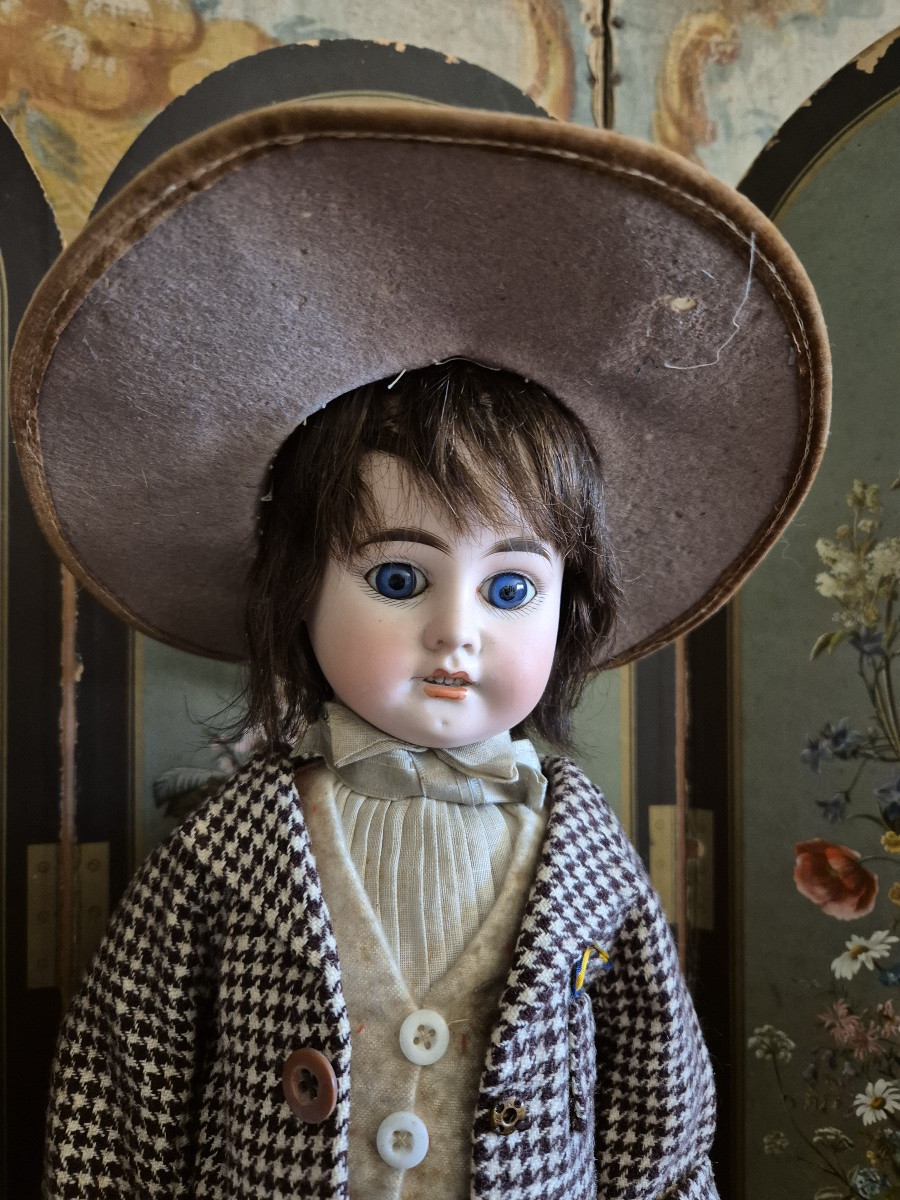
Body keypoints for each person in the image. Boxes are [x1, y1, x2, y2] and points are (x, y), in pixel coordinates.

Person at [12, 101, 829, 1200]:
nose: (457, 630)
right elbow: (119, 1094)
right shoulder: (227, 849)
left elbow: (661, 1125)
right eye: (398, 579)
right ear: (299, 589)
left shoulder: (591, 864)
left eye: (510, 589)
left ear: (571, 607)